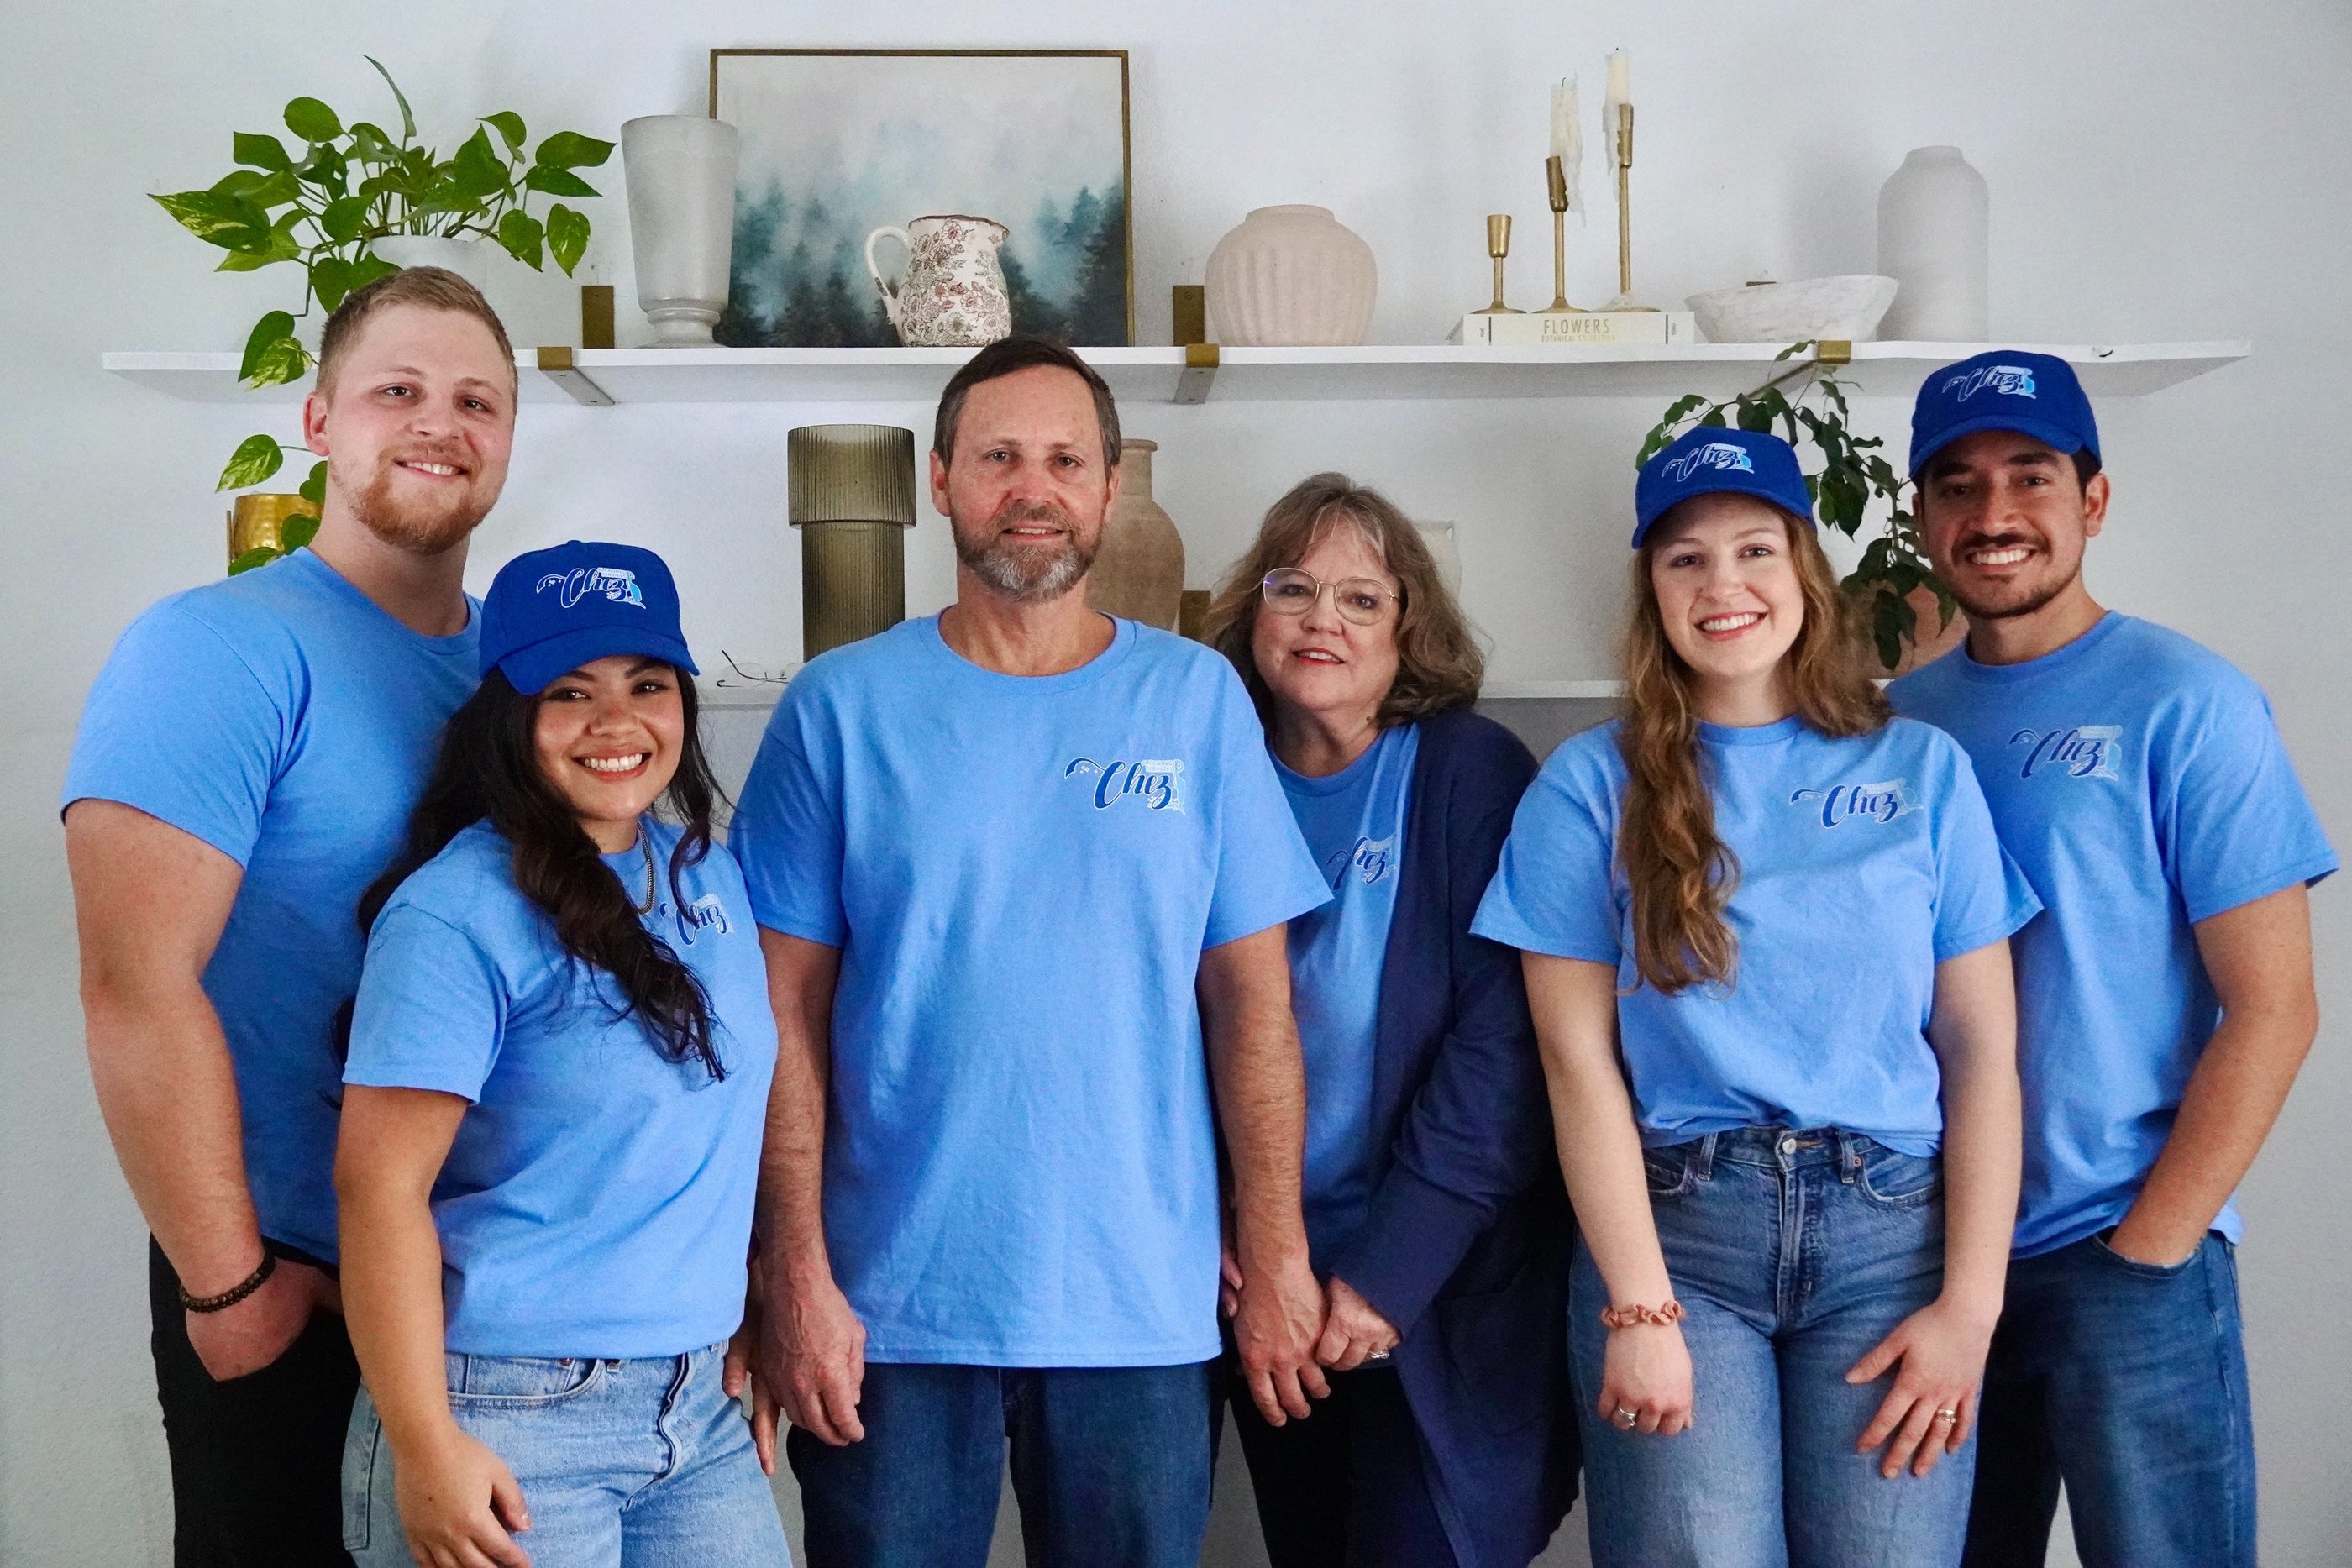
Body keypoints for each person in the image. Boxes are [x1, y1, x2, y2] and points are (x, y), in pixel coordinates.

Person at [727, 336, 1333, 1568]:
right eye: (999, 456)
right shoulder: (840, 706)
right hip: (889, 1309)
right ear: (941, 479)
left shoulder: (1196, 700)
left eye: (1065, 459)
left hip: (1139, 1304)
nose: (1032, 488)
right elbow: (779, 1012)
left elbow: (1253, 1004)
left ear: (1110, 486)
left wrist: (1278, 1253)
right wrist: (789, 1269)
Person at [1473, 427, 2040, 1567]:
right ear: (1652, 590)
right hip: (1680, 1238)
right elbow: (1577, 1065)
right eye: (1685, 559)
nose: (1722, 584)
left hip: (1895, 1243)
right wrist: (1638, 1307)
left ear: (1804, 571)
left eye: (1754, 550)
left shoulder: (1921, 769)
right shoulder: (1588, 785)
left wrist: (1969, 1310)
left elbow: (1981, 1053)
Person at [63, 267, 515, 1564]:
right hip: (290, 1276)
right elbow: (134, 981)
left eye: (476, 400)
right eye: (397, 389)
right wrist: (230, 1285)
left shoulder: (528, 673)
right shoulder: (214, 648)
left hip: (488, 1289)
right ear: (319, 421)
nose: (439, 423)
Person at [1887, 351, 2334, 1568]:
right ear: (1922, 515)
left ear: (2093, 498)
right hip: (1926, 1258)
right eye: (1958, 484)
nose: (1993, 512)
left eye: (2029, 475)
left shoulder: (2189, 701)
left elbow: (2275, 1007)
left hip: (2122, 1248)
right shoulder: (1895, 724)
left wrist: (2150, 1246)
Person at [334, 541, 790, 1568]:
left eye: (646, 685)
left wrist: (750, 1288)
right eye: (569, 693)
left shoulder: (708, 876)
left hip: (696, 1409)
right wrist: (424, 1442)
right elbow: (377, 1189)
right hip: (505, 1410)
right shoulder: (457, 912)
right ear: (510, 715)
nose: (616, 722)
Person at [1199, 475, 1578, 1568]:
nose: (1321, 617)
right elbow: (1158, 1027)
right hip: (1257, 1282)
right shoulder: (1210, 778)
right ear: (1253, 611)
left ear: (1410, 630)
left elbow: (1502, 1053)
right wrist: (1218, 1222)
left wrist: (1384, 1278)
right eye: (1293, 587)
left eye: (1362, 598)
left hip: (1434, 1284)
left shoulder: (1468, 770)